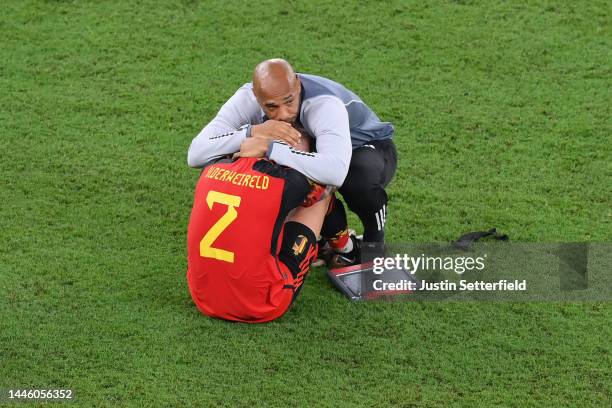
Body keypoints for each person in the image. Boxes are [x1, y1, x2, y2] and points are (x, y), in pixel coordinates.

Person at [188, 58, 397, 266]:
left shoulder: (324, 105)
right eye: (271, 107)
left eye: (289, 101)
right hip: (316, 148)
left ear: (297, 84)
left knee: (356, 179)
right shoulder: (246, 98)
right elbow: (196, 154)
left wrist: (269, 148)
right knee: (279, 174)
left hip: (367, 147)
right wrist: (251, 132)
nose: (283, 114)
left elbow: (336, 171)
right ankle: (338, 244)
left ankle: (374, 244)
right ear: (256, 96)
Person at [187, 136, 332, 323]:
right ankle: (345, 248)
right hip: (260, 306)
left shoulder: (210, 169)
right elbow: (327, 174)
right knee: (322, 196)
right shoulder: (289, 182)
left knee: (266, 213)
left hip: (203, 298)